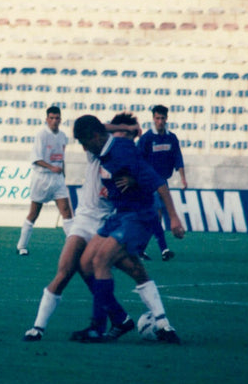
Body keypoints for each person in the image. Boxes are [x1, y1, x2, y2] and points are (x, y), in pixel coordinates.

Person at [23, 117, 160, 342]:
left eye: (125, 136)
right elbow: (99, 128)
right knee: (66, 268)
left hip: (108, 221)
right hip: (84, 219)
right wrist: (124, 127)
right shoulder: (96, 150)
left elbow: (147, 179)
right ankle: (38, 328)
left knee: (127, 269)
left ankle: (153, 320)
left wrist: (134, 181)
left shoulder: (126, 157)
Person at [72, 114, 185, 343]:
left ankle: (98, 326)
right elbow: (102, 127)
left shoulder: (121, 151)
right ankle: (162, 324)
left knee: (101, 260)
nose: (84, 148)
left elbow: (159, 183)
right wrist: (125, 126)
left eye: (84, 142)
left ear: (94, 137)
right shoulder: (104, 145)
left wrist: (173, 218)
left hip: (138, 216)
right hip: (119, 216)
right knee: (86, 263)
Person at [16, 106, 73, 256]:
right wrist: (51, 167)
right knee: (34, 213)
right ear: (47, 119)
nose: (54, 121)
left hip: (57, 179)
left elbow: (62, 158)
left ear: (60, 119)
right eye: (51, 118)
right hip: (42, 178)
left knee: (66, 212)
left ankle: (74, 245)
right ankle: (22, 246)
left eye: (57, 118)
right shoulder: (41, 135)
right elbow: (36, 159)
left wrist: (63, 174)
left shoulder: (62, 136)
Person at [137, 104, 187, 261]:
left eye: (162, 118)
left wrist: (183, 178)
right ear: (153, 119)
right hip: (148, 183)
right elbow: (137, 160)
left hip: (163, 182)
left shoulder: (171, 138)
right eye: (157, 118)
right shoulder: (146, 138)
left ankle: (140, 249)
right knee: (157, 213)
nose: (160, 121)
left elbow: (178, 158)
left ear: (167, 119)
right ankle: (164, 250)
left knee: (154, 218)